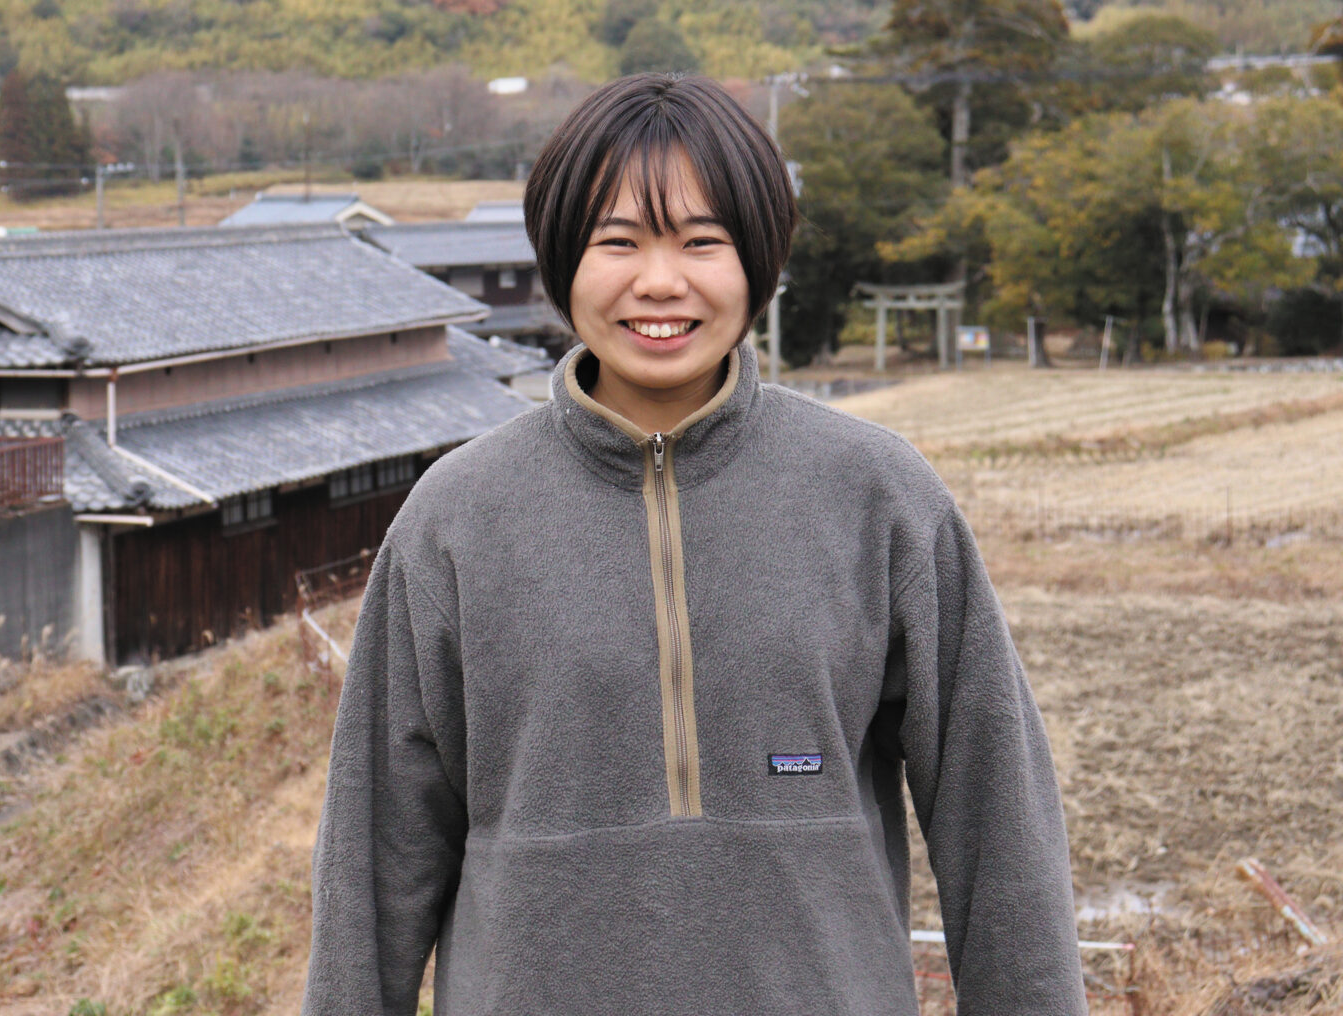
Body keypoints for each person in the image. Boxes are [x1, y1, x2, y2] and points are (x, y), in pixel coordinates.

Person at [301, 73, 1084, 1015]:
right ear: (562, 264)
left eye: (702, 242)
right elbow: (374, 858)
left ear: (757, 260)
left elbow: (998, 822)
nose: (660, 282)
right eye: (618, 242)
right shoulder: (455, 518)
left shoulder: (877, 494)